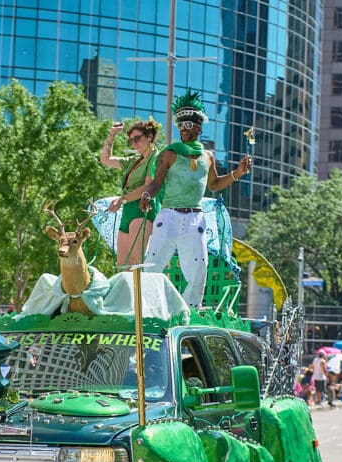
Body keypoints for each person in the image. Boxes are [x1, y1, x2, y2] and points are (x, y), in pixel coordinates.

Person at [137, 91, 251, 307]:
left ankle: (190, 311)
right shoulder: (169, 153)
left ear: (198, 127)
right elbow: (156, 182)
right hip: (169, 215)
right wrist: (146, 194)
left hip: (195, 218)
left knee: (199, 269)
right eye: (180, 125)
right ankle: (147, 309)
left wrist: (238, 173)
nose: (183, 129)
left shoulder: (208, 156)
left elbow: (214, 185)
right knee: (152, 264)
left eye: (187, 125)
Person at [103, 118, 162, 266]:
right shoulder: (135, 160)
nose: (134, 144)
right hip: (128, 210)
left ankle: (148, 289)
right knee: (122, 265)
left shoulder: (156, 157)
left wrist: (121, 200)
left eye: (137, 139)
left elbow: (148, 186)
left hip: (143, 209)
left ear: (149, 137)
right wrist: (112, 134)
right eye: (131, 141)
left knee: (136, 263)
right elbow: (106, 159)